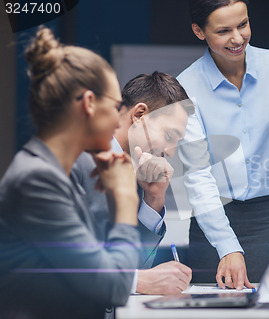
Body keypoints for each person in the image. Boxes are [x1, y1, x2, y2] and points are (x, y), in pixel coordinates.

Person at [0, 27, 140, 319]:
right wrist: (127, 197)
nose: (118, 119)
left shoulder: (54, 174)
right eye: (116, 106)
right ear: (89, 103)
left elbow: (98, 267)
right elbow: (113, 286)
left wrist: (116, 199)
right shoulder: (36, 180)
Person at [177, 0, 269, 286]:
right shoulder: (186, 86)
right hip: (211, 223)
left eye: (243, 24)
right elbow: (197, 174)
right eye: (224, 30)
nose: (238, 38)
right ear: (199, 31)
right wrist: (226, 245)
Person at [72, 72, 194, 295]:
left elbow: (136, 266)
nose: (170, 151)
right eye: (169, 135)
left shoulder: (137, 176)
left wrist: (154, 198)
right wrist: (137, 281)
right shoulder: (76, 158)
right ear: (139, 114)